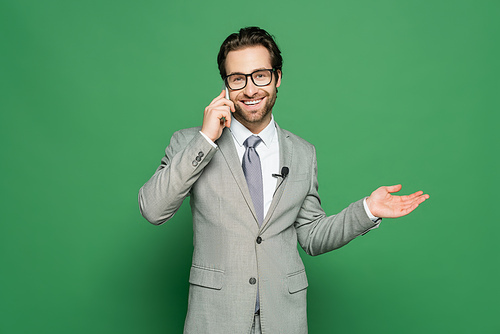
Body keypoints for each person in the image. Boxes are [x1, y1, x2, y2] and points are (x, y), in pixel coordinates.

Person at [138, 26, 429, 334]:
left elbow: (312, 236)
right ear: (225, 85)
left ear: (277, 78)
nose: (250, 89)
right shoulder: (189, 143)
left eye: (260, 75)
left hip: (283, 320)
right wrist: (206, 139)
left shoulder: (303, 153)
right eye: (238, 79)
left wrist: (367, 209)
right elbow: (153, 209)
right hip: (215, 319)